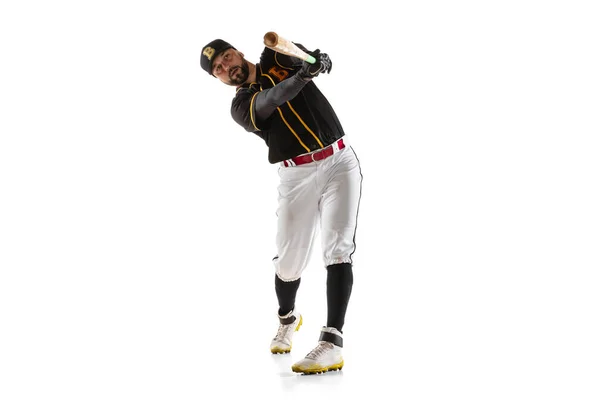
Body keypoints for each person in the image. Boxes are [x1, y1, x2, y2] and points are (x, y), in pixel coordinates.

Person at [200, 37, 362, 374]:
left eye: (227, 56)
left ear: (238, 52)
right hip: (297, 174)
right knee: (289, 263)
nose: (226, 67)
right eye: (218, 69)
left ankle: (331, 342)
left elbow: (307, 55)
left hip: (340, 161)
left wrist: (318, 60)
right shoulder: (241, 105)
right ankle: (288, 318)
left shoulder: (276, 55)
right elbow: (269, 100)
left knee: (338, 249)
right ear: (218, 79)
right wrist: (303, 76)